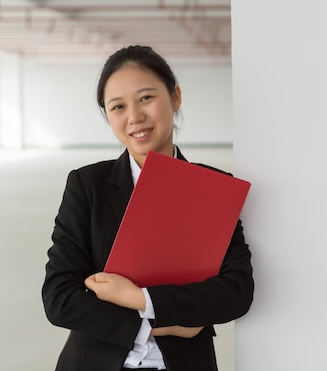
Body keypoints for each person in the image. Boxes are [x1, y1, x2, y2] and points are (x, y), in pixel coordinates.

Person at [42, 45, 254, 371]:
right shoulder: (87, 186)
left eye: (146, 98)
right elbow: (59, 298)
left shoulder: (214, 188)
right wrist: (167, 322)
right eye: (117, 106)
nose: (134, 117)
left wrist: (138, 299)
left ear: (176, 97)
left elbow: (235, 292)